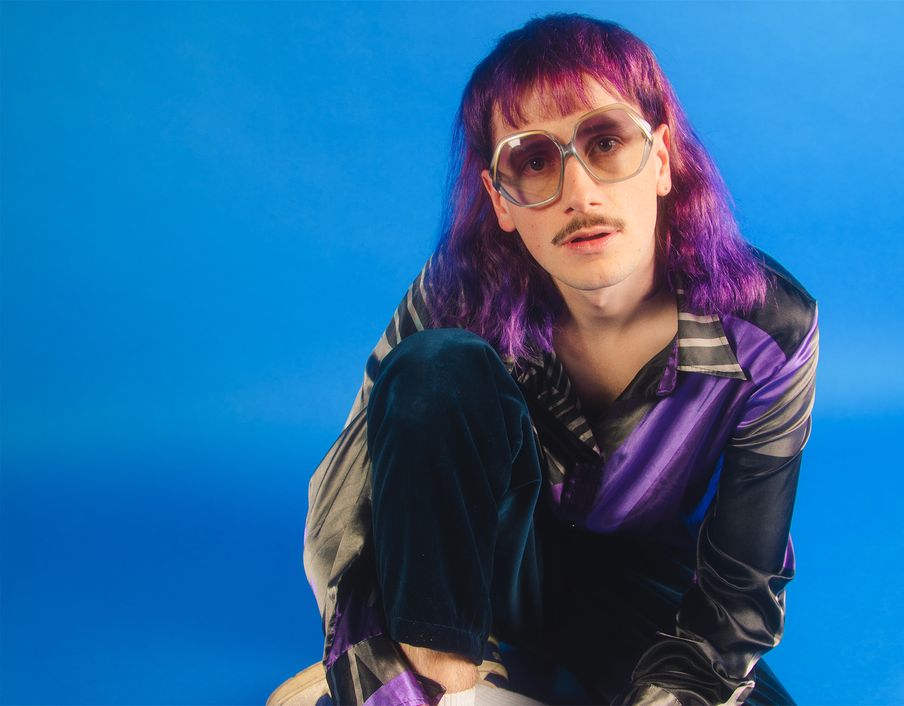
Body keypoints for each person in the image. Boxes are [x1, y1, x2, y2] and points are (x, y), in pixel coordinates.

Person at [304, 13, 817, 706]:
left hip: (640, 583)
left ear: (662, 159)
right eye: (535, 161)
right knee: (435, 366)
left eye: (606, 142)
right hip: (473, 574)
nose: (579, 194)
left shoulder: (770, 327)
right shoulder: (457, 292)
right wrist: (380, 678)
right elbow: (350, 501)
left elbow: (742, 587)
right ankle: (445, 675)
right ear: (500, 199)